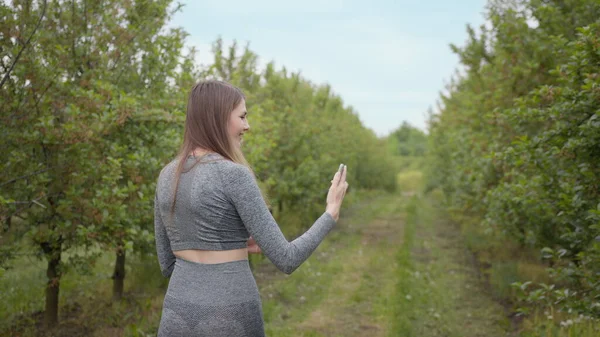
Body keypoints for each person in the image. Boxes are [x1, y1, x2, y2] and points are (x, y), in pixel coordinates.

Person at [153, 80, 349, 336]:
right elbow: (287, 259)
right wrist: (330, 213)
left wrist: (228, 243)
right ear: (219, 118)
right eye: (242, 116)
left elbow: (168, 264)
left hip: (176, 315)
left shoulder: (167, 175)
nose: (247, 125)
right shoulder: (233, 174)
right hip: (229, 315)